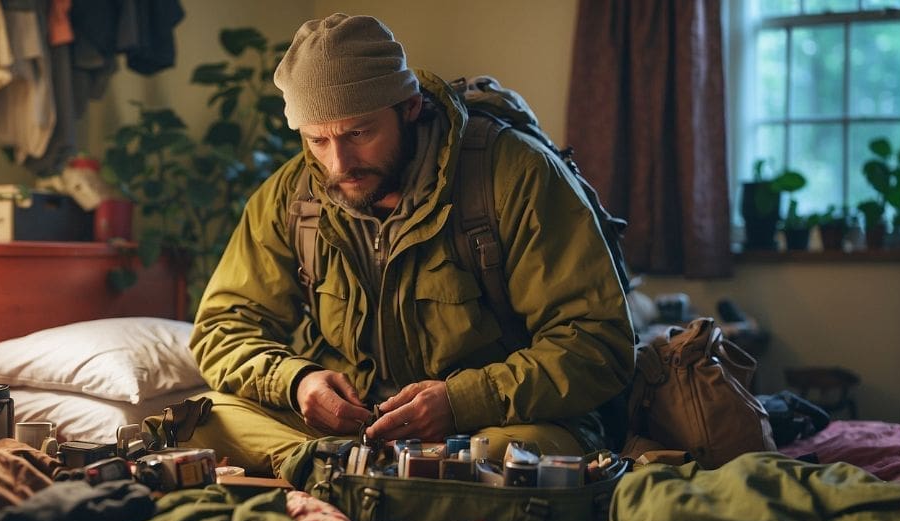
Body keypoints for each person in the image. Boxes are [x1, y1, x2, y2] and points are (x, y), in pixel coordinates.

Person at [185, 13, 635, 477]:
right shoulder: (292, 198)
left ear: (410, 107)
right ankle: (356, 475)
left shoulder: (515, 175)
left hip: (496, 425)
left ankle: (336, 478)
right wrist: (298, 382)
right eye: (318, 139)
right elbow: (223, 327)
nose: (340, 163)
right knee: (196, 422)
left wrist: (462, 401)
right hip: (350, 433)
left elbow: (597, 342)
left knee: (513, 460)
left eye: (360, 133)